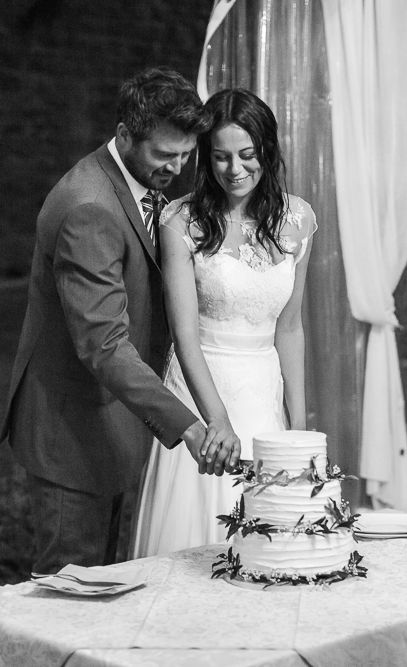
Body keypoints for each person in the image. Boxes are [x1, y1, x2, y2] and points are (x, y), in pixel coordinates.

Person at [0, 68, 239, 575]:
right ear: (125, 134)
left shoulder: (138, 184)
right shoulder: (89, 206)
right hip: (71, 433)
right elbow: (105, 344)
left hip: (112, 426)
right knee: (69, 594)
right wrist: (190, 428)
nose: (177, 167)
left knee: (107, 588)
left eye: (186, 154)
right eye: (164, 154)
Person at [131, 88, 317, 557]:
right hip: (201, 389)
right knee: (198, 541)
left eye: (247, 155)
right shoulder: (181, 220)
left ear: (267, 151)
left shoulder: (298, 220)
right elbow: (184, 336)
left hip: (263, 393)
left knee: (272, 548)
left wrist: (299, 424)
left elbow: (290, 328)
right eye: (220, 157)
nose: (234, 170)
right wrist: (218, 423)